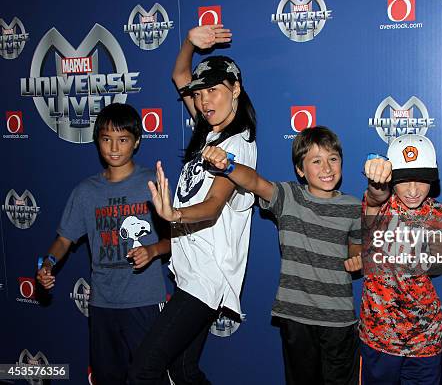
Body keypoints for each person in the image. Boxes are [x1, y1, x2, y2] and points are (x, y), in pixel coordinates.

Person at [128, 24, 257, 384]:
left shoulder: (238, 146)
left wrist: (174, 214)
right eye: (200, 94)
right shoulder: (207, 128)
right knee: (183, 369)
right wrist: (188, 42)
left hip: (207, 278)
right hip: (190, 273)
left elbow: (215, 205)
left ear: (235, 90)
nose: (204, 101)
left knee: (143, 370)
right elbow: (180, 74)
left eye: (213, 91)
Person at [202, 126, 362, 385]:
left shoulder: (354, 207)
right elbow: (254, 182)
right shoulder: (288, 197)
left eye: (333, 159)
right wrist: (228, 166)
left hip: (339, 318)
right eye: (316, 161)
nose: (327, 168)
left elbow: (356, 245)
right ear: (300, 169)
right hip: (296, 316)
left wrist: (357, 257)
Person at [36, 103, 170, 385]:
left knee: (149, 378)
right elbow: (64, 239)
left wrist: (153, 250)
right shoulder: (85, 191)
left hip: (144, 302)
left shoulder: (152, 184)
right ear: (97, 141)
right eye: (106, 139)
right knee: (107, 377)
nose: (114, 148)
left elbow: (180, 238)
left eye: (122, 140)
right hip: (102, 305)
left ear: (136, 142)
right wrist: (47, 264)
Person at [356, 134, 442, 384]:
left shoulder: (439, 214)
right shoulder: (380, 205)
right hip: (379, 336)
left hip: (425, 338)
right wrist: (377, 181)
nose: (412, 190)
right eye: (404, 179)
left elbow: (433, 262)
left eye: (420, 180)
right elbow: (375, 197)